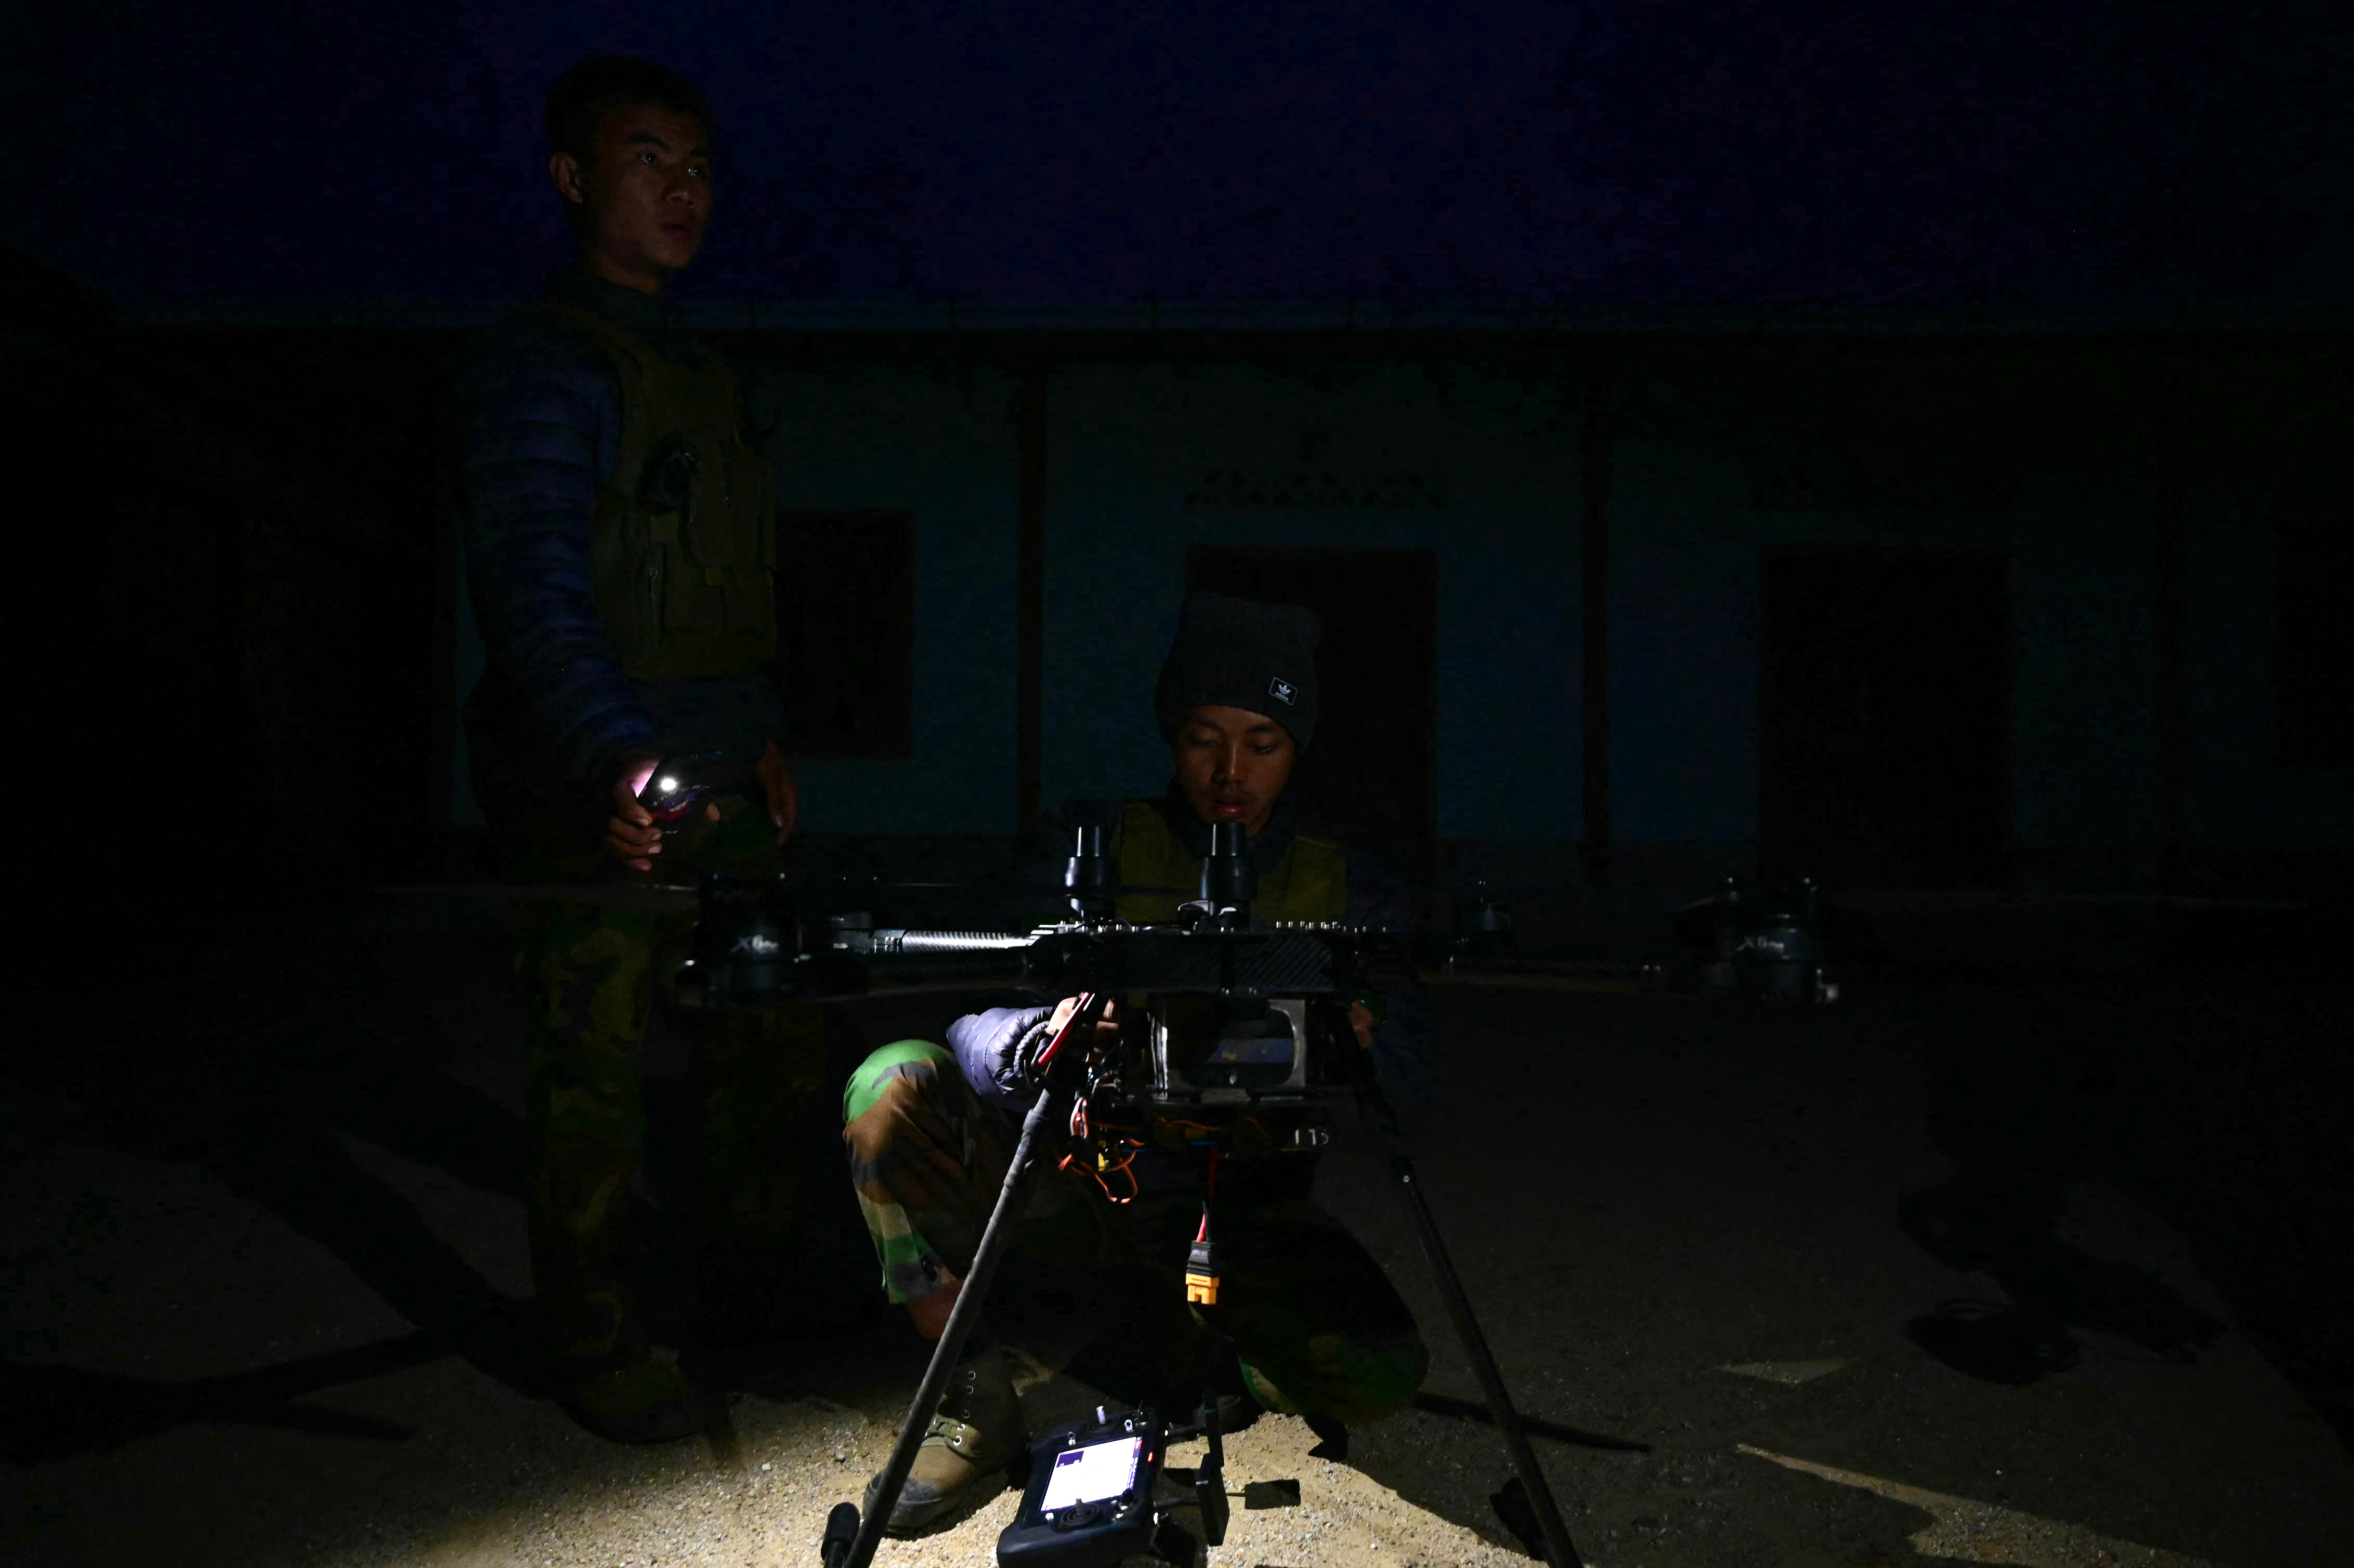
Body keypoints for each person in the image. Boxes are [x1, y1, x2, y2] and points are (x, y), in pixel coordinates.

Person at [841, 593, 1433, 1532]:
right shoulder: (1098, 844)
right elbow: (970, 1020)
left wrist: (1349, 1049)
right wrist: (1047, 1038)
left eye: (1263, 742)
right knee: (892, 1082)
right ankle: (971, 1393)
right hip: (1074, 1185)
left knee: (1375, 1371)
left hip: (1233, 1210)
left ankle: (1200, 1338)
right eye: (1203, 737)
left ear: (1299, 747)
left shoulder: (1347, 883)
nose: (1229, 771)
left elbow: (1411, 1070)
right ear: (1171, 736)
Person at [452, 55, 815, 1444]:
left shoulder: (699, 372)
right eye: (649, 159)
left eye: (700, 167)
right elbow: (534, 589)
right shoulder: (546, 363)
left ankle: (753, 1300)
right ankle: (594, 1342)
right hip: (593, 789)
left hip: (720, 768)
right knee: (593, 1080)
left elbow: (726, 582)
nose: (685, 190)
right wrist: (617, 763)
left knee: (763, 1047)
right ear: (574, 181)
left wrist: (761, 736)